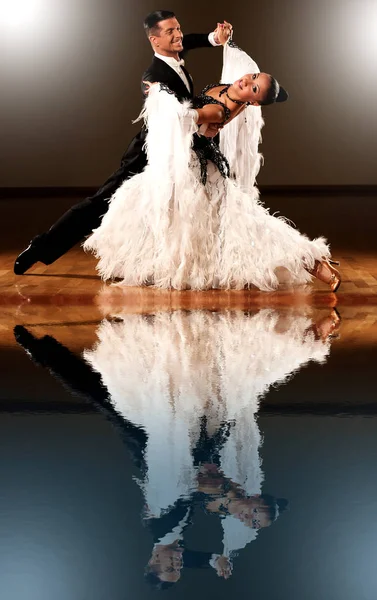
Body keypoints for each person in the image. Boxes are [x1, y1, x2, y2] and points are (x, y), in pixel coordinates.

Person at [83, 37, 341, 292]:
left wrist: (159, 93)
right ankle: (316, 263)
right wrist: (221, 40)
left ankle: (315, 263)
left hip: (199, 169)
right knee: (162, 211)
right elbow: (235, 73)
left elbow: (185, 117)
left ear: (251, 103)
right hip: (193, 163)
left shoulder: (222, 110)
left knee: (244, 225)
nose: (246, 81)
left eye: (253, 88)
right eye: (253, 76)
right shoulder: (234, 87)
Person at [13, 11, 233, 275]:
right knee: (101, 202)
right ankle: (41, 248)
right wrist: (205, 117)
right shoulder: (153, 77)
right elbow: (173, 113)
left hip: (176, 148)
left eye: (178, 28)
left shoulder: (174, 53)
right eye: (170, 32)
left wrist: (214, 38)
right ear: (154, 40)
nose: (178, 35)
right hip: (149, 151)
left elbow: (191, 40)